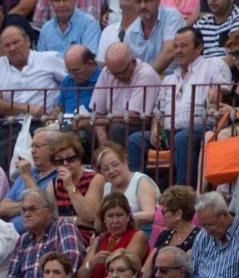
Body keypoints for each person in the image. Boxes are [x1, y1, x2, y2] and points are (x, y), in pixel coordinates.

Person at [126, 27, 231, 187]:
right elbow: (158, 112)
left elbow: (222, 90)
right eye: (175, 46)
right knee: (135, 140)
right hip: (169, 131)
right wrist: (155, 128)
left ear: (199, 47)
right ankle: (138, 189)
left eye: (183, 46)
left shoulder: (213, 65)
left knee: (182, 139)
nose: (178, 51)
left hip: (202, 127)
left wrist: (215, 93)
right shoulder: (169, 79)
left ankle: (184, 193)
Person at [0, 26, 65, 165]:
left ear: (27, 41)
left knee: (1, 150)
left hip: (40, 123)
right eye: (7, 45)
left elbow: (73, 83)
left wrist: (61, 107)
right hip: (8, 123)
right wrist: (26, 108)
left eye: (16, 42)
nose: (12, 48)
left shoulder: (49, 59)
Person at [7, 189, 85, 278]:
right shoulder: (22, 240)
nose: (27, 214)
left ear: (50, 212)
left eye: (33, 209)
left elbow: (71, 261)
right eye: (24, 210)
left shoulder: (63, 227)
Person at [77, 194, 149, 278]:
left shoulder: (138, 236)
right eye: (110, 216)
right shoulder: (99, 240)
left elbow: (123, 271)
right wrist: (92, 263)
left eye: (119, 215)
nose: (115, 221)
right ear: (104, 220)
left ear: (128, 217)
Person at [138, 185, 200, 278]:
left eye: (164, 212)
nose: (162, 216)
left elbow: (182, 275)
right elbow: (147, 269)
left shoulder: (199, 237)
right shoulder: (165, 234)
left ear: (178, 214)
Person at [94, 144, 159, 234]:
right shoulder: (107, 187)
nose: (111, 171)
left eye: (115, 165)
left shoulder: (141, 181)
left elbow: (150, 214)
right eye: (106, 169)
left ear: (125, 162)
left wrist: (123, 218)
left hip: (143, 235)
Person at [122, 0, 185, 74]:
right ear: (133, 5)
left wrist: (146, 77)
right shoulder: (130, 34)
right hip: (144, 82)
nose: (143, 6)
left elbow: (170, 50)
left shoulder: (172, 17)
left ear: (158, 2)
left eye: (147, 1)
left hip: (173, 80)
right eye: (138, 2)